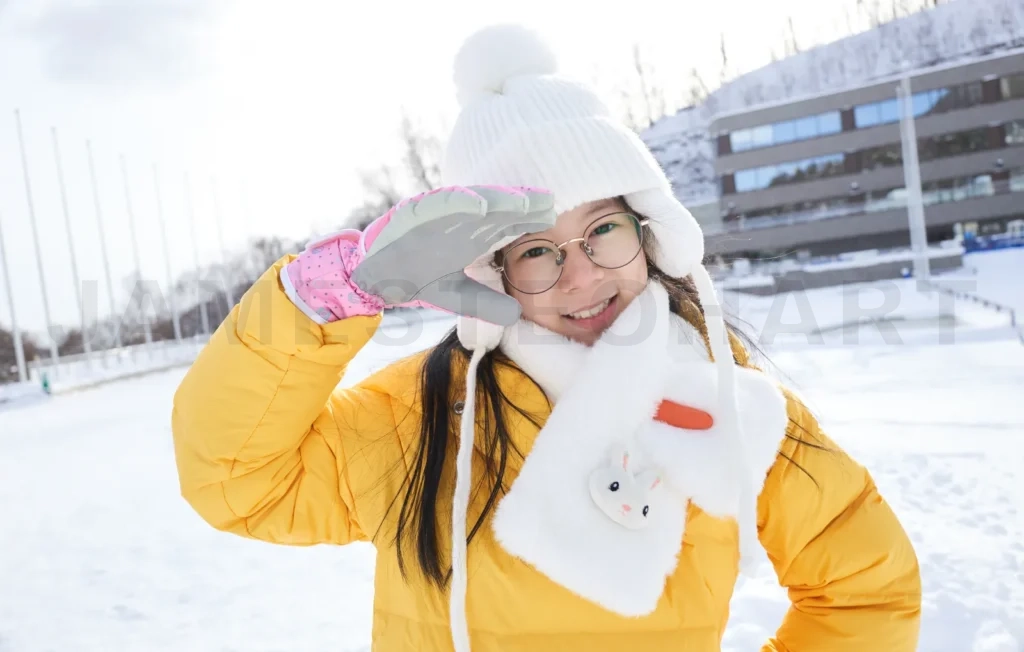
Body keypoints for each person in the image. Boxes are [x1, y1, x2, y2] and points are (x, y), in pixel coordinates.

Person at [171, 24, 921, 652]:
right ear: (494, 272)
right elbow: (238, 481)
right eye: (537, 251)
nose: (582, 277)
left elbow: (866, 595)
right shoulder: (422, 414)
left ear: (650, 234)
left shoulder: (732, 404)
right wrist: (324, 297)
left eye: (603, 230)